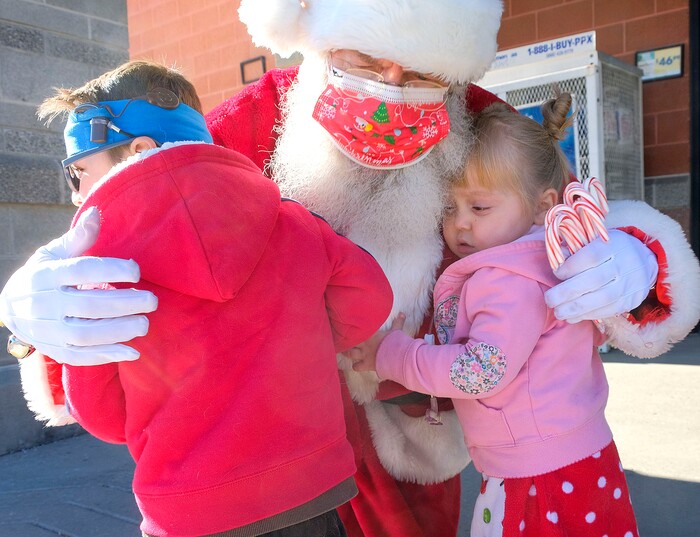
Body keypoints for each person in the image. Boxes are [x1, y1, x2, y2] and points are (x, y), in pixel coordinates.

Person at [2, 1, 699, 536]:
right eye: (362, 60)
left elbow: (556, 201)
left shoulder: (478, 124)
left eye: (421, 73)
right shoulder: (248, 122)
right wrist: (39, 306)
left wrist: (638, 255)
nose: (392, 89)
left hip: (417, 441)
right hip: (265, 443)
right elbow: (133, 213)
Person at [21, 59, 394, 537]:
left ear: (139, 149)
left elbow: (105, 417)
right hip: (312, 487)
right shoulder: (292, 220)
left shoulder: (97, 270)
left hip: (191, 511)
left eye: (79, 172)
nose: (77, 195)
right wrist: (310, 339)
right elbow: (370, 298)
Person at [347, 94, 640, 537]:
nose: (460, 224)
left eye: (479, 208)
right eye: (450, 208)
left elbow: (479, 370)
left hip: (539, 477)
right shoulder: (544, 259)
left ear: (542, 204)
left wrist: (392, 354)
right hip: (572, 460)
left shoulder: (507, 278)